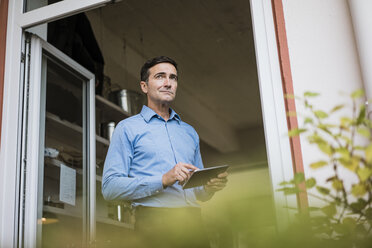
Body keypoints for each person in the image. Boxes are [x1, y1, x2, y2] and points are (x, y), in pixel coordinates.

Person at [102, 56, 228, 248]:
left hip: (195, 224)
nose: (168, 83)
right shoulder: (127, 128)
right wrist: (163, 179)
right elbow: (110, 188)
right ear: (144, 86)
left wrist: (209, 187)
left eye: (173, 78)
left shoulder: (189, 132)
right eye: (160, 77)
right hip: (153, 224)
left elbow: (198, 193)